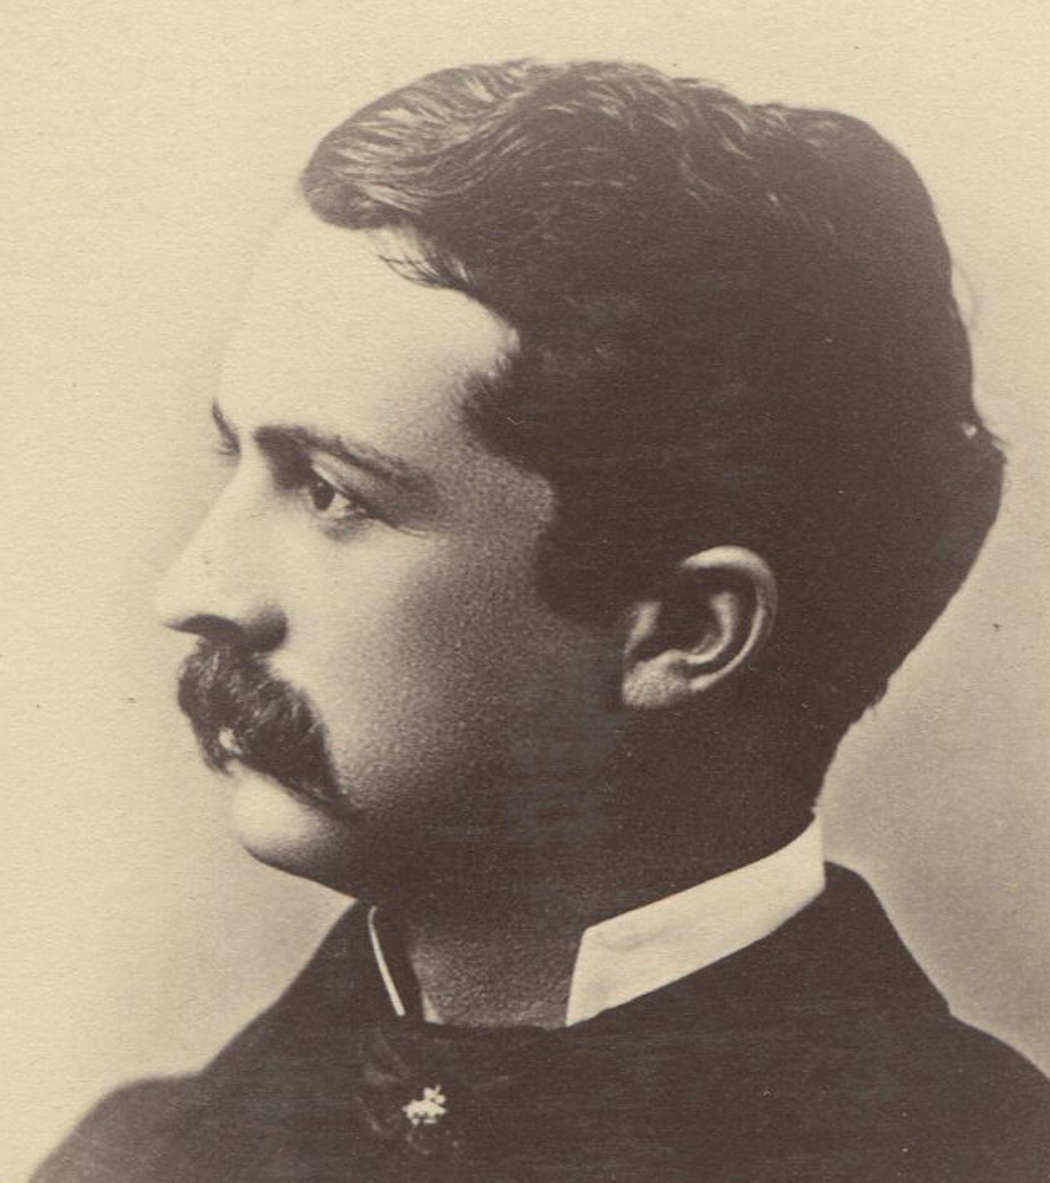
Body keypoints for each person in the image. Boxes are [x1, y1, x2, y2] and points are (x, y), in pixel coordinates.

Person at [33, 58, 1048, 1183]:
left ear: (682, 632)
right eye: (236, 456)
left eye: (329, 492)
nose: (190, 587)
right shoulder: (130, 1158)